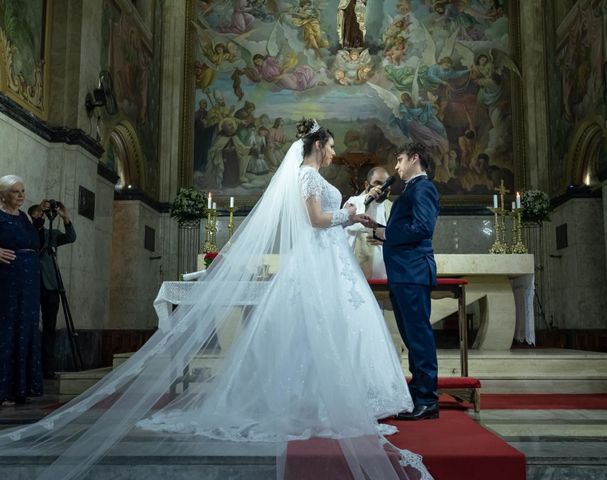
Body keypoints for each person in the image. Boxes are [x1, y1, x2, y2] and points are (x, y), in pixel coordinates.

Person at [0, 125, 432, 480]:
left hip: (329, 261)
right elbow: (317, 220)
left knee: (336, 328)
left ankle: (348, 395)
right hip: (320, 260)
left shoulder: (313, 176)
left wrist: (350, 217)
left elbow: (322, 223)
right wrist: (350, 216)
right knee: (319, 328)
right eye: (333, 145)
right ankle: (317, 399)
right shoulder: (305, 175)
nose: (335, 152)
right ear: (318, 145)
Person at [372, 143, 440, 420]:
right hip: (404, 273)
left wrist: (386, 234)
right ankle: (419, 393)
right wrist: (376, 229)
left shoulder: (423, 188)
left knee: (418, 336)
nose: (397, 167)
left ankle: (427, 399)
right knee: (412, 337)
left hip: (412, 273)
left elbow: (424, 228)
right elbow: (408, 228)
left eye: (400, 160)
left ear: (415, 159)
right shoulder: (412, 189)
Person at [0, 175, 42, 407]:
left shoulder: (25, 216)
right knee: (7, 328)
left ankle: (21, 387)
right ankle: (3, 389)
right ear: (3, 194)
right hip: (7, 281)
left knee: (26, 328)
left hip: (29, 283)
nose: (21, 195)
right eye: (16, 191)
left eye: (23, 191)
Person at [28, 201, 77, 379]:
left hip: (51, 285)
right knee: (30, 325)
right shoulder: (26, 232)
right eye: (38, 214)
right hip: (31, 284)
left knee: (49, 327)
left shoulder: (52, 234)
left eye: (43, 214)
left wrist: (65, 217)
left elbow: (71, 237)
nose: (41, 217)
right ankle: (30, 366)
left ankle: (47, 368)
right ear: (31, 216)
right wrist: (40, 207)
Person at [344, 166, 393, 279]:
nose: (381, 188)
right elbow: (348, 226)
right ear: (367, 185)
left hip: (383, 270)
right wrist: (368, 200)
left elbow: (395, 236)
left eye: (386, 184)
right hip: (356, 267)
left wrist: (385, 240)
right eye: (377, 183)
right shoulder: (353, 201)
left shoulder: (391, 207)